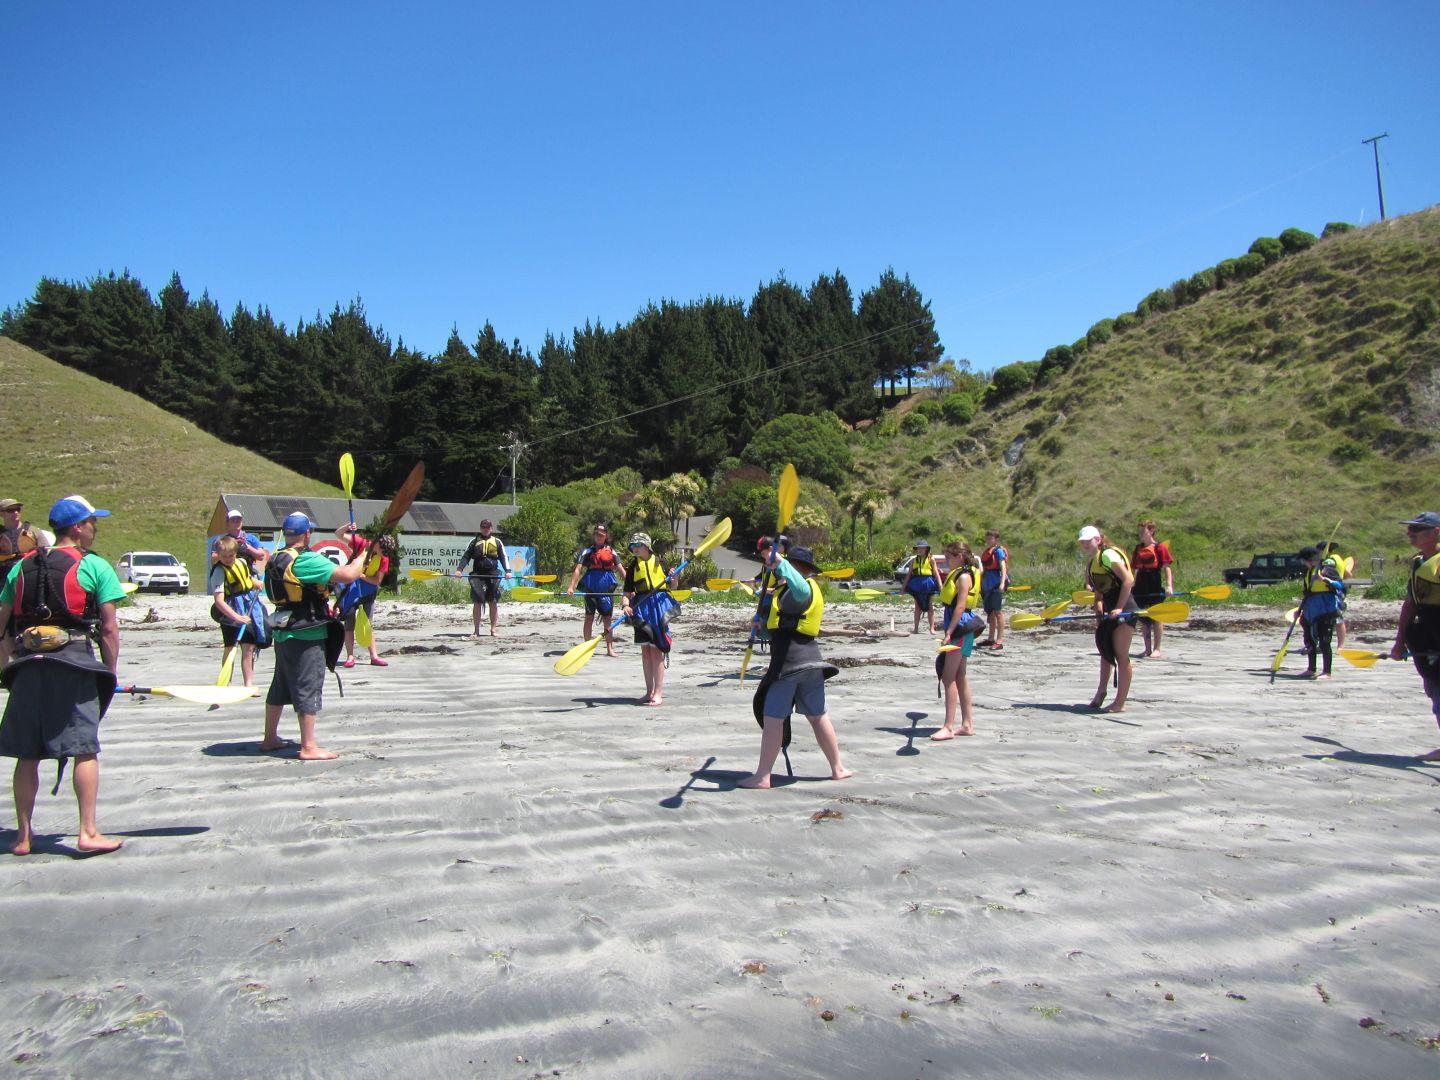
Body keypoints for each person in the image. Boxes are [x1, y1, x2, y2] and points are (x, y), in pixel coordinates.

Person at [0, 496, 125, 855]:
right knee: (84, 749)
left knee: (28, 754)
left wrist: (8, 668)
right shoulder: (94, 566)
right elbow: (109, 628)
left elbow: (2, 624)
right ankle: (88, 832)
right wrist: (109, 672)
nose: (95, 528)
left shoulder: (19, 567)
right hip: (73, 665)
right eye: (92, 522)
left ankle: (23, 837)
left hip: (26, 664)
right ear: (77, 527)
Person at [738, 544, 853, 787]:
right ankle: (838, 768)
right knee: (818, 716)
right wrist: (761, 629)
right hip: (811, 663)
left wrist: (778, 561)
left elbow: (798, 589)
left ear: (796, 568)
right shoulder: (788, 592)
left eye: (787, 568)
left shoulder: (802, 588)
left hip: (789, 666)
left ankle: (763, 776)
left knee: (773, 719)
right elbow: (782, 629)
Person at [261, 512, 368, 760]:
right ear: (307, 534)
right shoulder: (306, 560)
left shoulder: (278, 556)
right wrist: (363, 555)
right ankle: (308, 746)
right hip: (306, 633)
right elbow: (348, 575)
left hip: (284, 630)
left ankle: (269, 739)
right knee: (308, 686)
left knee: (280, 686)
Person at [1391, 512, 1440, 760]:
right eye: (1410, 529)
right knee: (1433, 685)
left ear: (1436, 532)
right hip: (1425, 633)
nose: (1411, 534)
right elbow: (1410, 603)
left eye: (1418, 530)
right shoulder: (1420, 562)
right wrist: (1400, 641)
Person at [1078, 525, 1137, 713]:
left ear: (1098, 539)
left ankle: (1119, 702)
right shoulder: (1092, 563)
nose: (1085, 544)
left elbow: (1128, 580)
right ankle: (1101, 692)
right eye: (1082, 542)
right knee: (1105, 652)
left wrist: (1119, 607)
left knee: (1120, 655)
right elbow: (1099, 593)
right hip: (1109, 609)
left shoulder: (1108, 556)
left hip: (1125, 608)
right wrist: (1099, 608)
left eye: (1089, 540)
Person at [620, 533, 677, 706]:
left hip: (658, 605)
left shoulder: (660, 562)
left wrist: (674, 578)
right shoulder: (633, 567)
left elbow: (673, 586)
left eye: (638, 544)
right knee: (645, 651)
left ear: (646, 546)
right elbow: (627, 592)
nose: (635, 548)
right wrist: (625, 605)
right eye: (633, 546)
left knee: (656, 650)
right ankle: (649, 691)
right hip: (642, 607)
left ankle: (658, 692)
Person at [933, 547, 984, 740]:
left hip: (960, 631)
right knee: (960, 676)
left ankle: (948, 727)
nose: (946, 561)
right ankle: (967, 724)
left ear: (960, 557)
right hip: (964, 631)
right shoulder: (961, 574)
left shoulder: (963, 577)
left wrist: (949, 632)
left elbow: (961, 605)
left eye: (949, 557)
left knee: (948, 677)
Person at [208, 537, 270, 687]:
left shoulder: (242, 563)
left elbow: (246, 579)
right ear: (218, 555)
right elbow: (219, 601)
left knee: (248, 647)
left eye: (231, 556)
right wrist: (237, 617)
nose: (228, 559)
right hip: (230, 611)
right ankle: (226, 683)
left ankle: (248, 684)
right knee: (230, 647)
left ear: (236, 553)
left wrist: (257, 583)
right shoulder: (219, 571)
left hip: (249, 606)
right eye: (224, 556)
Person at [337, 524, 390, 668]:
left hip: (368, 592)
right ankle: (350, 657)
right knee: (349, 624)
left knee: (367, 624)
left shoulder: (384, 558)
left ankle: (374, 656)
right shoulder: (361, 544)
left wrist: (361, 575)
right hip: (351, 589)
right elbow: (338, 534)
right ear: (377, 544)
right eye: (382, 550)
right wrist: (348, 526)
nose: (383, 554)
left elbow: (377, 581)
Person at [567, 524, 621, 658]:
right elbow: (578, 570)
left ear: (606, 536)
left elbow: (621, 570)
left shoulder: (612, 552)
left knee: (607, 620)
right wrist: (571, 587)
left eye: (601, 535)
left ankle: (609, 648)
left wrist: (631, 588)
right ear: (594, 535)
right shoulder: (587, 551)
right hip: (591, 588)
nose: (598, 537)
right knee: (589, 618)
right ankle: (587, 648)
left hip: (606, 589)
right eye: (596, 534)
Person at [1297, 545, 1345, 680]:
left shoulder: (1327, 570)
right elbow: (1307, 593)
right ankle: (1311, 669)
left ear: (1311, 560)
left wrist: (1325, 580)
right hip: (1310, 610)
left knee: (1324, 642)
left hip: (1326, 610)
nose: (1304, 564)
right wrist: (1300, 610)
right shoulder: (1309, 572)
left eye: (1304, 561)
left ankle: (1327, 672)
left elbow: (1341, 586)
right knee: (1310, 641)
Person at [1131, 521, 1175, 657]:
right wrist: (1130, 585)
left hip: (1154, 585)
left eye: (1143, 531)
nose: (1140, 534)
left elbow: (1167, 568)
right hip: (1140, 587)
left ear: (1151, 531)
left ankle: (1157, 649)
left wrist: (1169, 586)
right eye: (1139, 532)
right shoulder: (1138, 549)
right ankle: (1147, 649)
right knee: (1144, 618)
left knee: (1156, 617)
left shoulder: (1160, 548)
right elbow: (1134, 569)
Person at [459, 519, 509, 637]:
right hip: (478, 574)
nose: (485, 529)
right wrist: (459, 570)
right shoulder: (474, 541)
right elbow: (466, 557)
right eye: (483, 527)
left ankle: (493, 630)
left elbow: (503, 557)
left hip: (492, 573)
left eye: (487, 527)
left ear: (491, 528)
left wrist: (508, 571)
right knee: (477, 601)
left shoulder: (497, 542)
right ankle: (476, 631)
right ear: (480, 528)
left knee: (493, 601)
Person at [1316, 538, 1354, 649]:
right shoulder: (1338, 560)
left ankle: (1339, 645)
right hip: (1334, 592)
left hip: (1333, 593)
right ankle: (1335, 645)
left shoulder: (1328, 561)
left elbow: (1323, 572)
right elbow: (1348, 574)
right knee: (1330, 619)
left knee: (1337, 619)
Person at [901, 540, 943, 634]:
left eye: (922, 548)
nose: (920, 550)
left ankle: (932, 628)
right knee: (917, 607)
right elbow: (908, 575)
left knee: (930, 607)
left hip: (928, 584)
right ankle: (916, 628)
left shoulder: (931, 559)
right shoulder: (913, 561)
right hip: (916, 584)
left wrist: (940, 585)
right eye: (919, 548)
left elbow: (936, 573)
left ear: (926, 549)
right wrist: (903, 587)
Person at [208, 507, 268, 572]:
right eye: (233, 520)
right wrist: (230, 548)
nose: (236, 522)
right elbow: (213, 559)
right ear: (227, 523)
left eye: (238, 520)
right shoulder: (221, 541)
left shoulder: (251, 538)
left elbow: (261, 556)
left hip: (247, 574)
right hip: (228, 574)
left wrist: (246, 547)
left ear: (242, 522)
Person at [978, 530, 1009, 650]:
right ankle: (991, 639)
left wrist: (1002, 583)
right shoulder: (987, 552)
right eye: (987, 538)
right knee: (990, 612)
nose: (988, 540)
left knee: (998, 612)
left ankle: (999, 640)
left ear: (996, 540)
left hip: (995, 584)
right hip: (987, 585)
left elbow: (1003, 567)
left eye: (991, 538)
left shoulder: (999, 552)